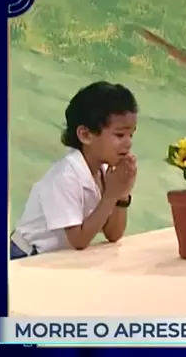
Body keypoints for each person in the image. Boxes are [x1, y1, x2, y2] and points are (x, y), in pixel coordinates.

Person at [10, 81, 139, 259]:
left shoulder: (104, 171)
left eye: (131, 135)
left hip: (52, 256)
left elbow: (113, 234)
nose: (128, 142)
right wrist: (111, 194)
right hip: (23, 256)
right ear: (85, 135)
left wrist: (122, 195)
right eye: (119, 135)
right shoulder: (65, 177)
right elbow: (78, 240)